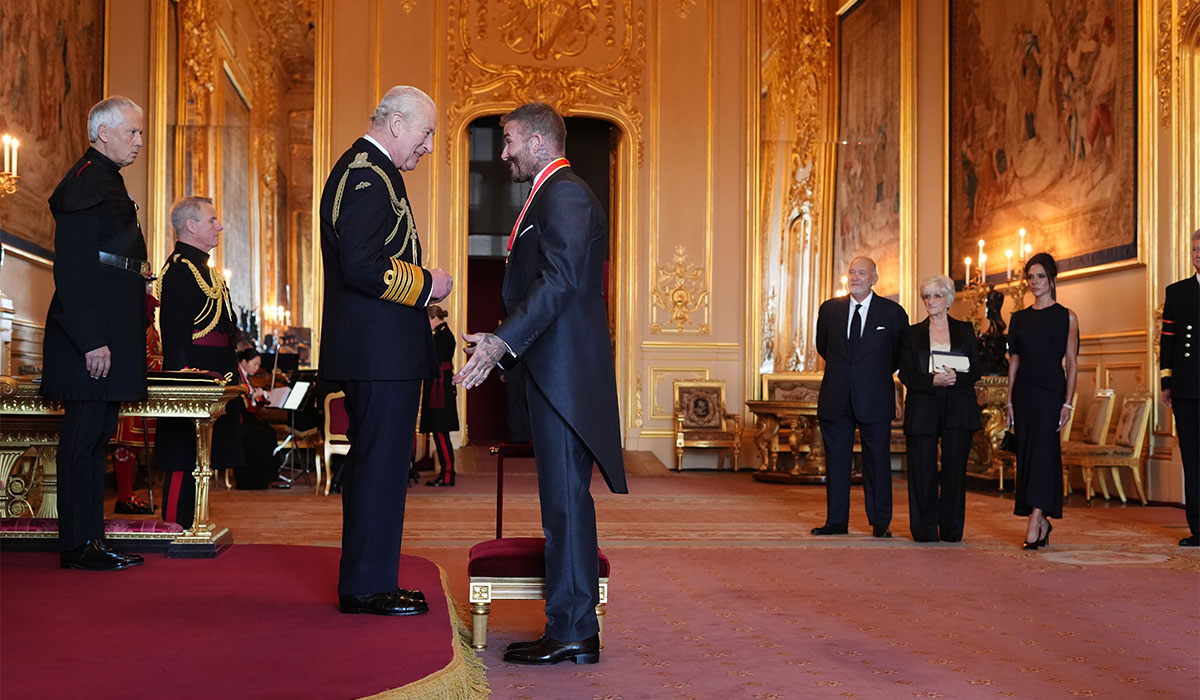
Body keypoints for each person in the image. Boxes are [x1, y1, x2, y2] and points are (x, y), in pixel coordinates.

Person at [454, 102, 628, 665]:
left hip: (566, 379)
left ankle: (574, 630)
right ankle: (570, 626)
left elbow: (558, 284)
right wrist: (501, 336)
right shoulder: (551, 195)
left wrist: (503, 342)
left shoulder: (566, 194)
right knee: (560, 503)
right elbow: (545, 287)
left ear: (536, 141)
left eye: (507, 141)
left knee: (566, 504)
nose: (501, 152)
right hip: (553, 374)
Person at [319, 85, 453, 617]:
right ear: (397, 124)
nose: (426, 147)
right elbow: (363, 265)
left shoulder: (369, 172)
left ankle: (370, 579)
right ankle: (368, 587)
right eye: (425, 135)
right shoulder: (368, 176)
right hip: (379, 354)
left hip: (379, 351)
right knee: (380, 467)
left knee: (380, 465)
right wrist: (428, 284)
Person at [41, 96, 148, 571]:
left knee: (97, 436)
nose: (139, 141)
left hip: (107, 328)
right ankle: (77, 545)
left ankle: (92, 541)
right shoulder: (83, 183)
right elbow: (74, 268)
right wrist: (91, 340)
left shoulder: (105, 179)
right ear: (104, 133)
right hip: (90, 336)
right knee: (81, 439)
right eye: (133, 132)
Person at [153, 197, 245, 527]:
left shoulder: (206, 270)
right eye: (212, 220)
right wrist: (182, 383)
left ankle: (196, 522)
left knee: (202, 456)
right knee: (183, 456)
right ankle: (175, 525)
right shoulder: (179, 269)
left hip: (216, 374)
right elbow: (175, 333)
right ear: (191, 226)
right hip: (194, 378)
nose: (219, 226)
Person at [812, 257, 908, 538]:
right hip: (836, 396)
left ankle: (880, 523)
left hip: (875, 397)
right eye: (852, 272)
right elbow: (824, 347)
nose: (855, 277)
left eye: (862, 272)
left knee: (877, 461)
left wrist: (869, 373)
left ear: (874, 279)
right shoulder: (830, 310)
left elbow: (898, 355)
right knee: (837, 461)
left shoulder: (892, 313)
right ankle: (836, 521)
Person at [898, 275, 982, 542]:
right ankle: (924, 530)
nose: (930, 301)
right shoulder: (912, 333)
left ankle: (951, 529)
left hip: (958, 405)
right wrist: (932, 380)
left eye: (936, 296)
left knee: (954, 471)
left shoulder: (965, 331)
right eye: (926, 296)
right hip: (923, 404)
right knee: (922, 471)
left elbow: (976, 369)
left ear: (948, 299)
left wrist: (957, 378)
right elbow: (906, 374)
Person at [1006, 252, 1079, 550]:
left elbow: (1072, 363)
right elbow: (1014, 362)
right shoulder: (1019, 318)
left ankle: (1035, 520)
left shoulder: (1067, 316)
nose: (1034, 282)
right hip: (1024, 394)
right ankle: (1042, 519)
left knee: (1045, 455)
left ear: (1051, 279)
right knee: (1027, 455)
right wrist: (1009, 401)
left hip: (1051, 394)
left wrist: (1068, 402)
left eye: (1039, 276)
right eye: (1030, 277)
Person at [1160, 229, 1200, 547]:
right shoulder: (1177, 292)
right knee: (1192, 457)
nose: (1197, 254)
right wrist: (1166, 382)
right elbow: (1169, 342)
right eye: (1194, 249)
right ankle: (1198, 528)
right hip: (1186, 388)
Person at [234, 348, 283, 490]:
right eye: (254, 364)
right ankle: (253, 480)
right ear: (244, 362)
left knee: (269, 433)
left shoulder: (245, 376)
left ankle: (269, 476)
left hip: (246, 417)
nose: (257, 369)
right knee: (260, 435)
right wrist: (252, 396)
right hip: (238, 420)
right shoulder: (237, 375)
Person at [422, 305, 459, 487]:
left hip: (440, 389)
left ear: (433, 318)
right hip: (440, 387)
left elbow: (433, 360)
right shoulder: (442, 333)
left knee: (441, 431)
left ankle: (447, 474)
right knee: (439, 432)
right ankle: (445, 472)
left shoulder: (441, 335)